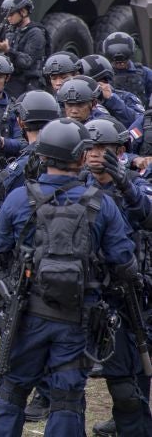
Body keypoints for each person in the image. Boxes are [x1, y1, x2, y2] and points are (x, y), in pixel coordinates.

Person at [0, 119, 136, 436]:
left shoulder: (18, 199)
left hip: (26, 315)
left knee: (12, 392)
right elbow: (124, 263)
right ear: (81, 156)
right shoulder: (102, 203)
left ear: (42, 156)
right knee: (67, 400)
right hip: (78, 318)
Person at [0, 89, 63, 411]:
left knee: (21, 321)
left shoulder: (30, 159)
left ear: (21, 121)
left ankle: (39, 391)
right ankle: (8, 381)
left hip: (22, 251)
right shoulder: (59, 154)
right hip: (46, 249)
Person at [83, 118, 152, 437]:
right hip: (86, 287)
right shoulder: (77, 185)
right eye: (90, 148)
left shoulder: (134, 184)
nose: (96, 155)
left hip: (128, 288)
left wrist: (125, 184)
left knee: (132, 372)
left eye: (104, 148)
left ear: (119, 151)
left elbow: (146, 215)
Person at [0, 0, 48, 98]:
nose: (8, 18)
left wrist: (8, 50)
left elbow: (27, 62)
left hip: (28, 84)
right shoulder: (10, 31)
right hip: (11, 80)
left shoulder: (36, 33)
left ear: (23, 12)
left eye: (11, 14)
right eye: (7, 15)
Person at [102, 32, 152, 105]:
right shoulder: (104, 75)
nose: (120, 64)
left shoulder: (145, 73)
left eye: (123, 61)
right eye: (116, 62)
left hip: (142, 114)